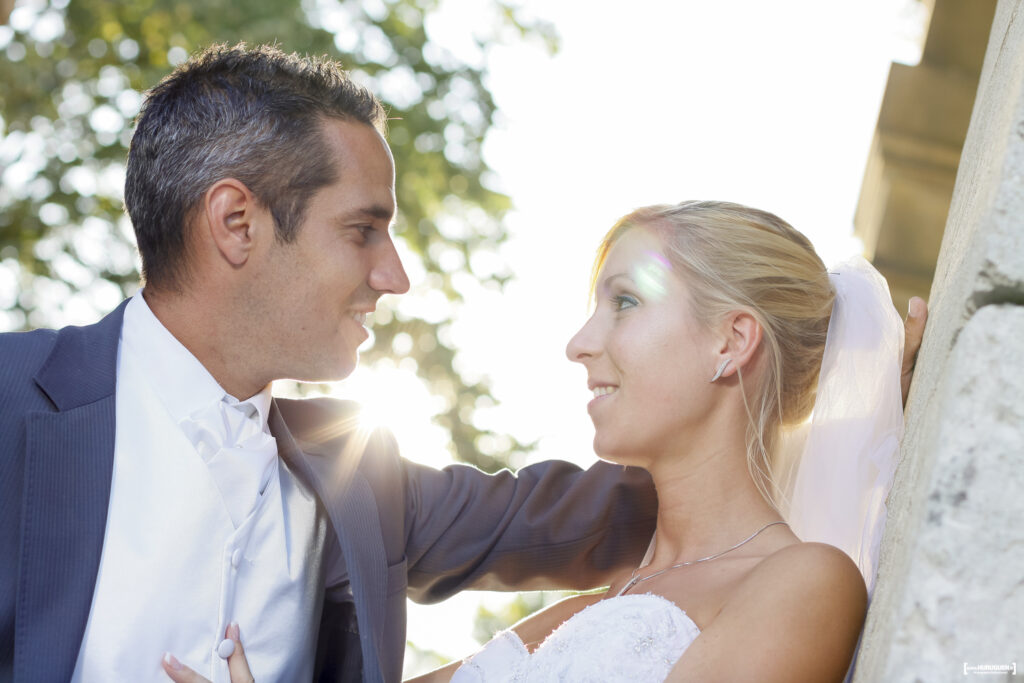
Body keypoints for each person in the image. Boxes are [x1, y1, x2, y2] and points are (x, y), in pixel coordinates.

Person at [0, 44, 663, 683]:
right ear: (236, 223)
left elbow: (603, 513)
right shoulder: (12, 401)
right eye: (361, 230)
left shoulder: (357, 474)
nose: (394, 275)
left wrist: (746, 378)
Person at [395, 200, 919, 682]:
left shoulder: (807, 583)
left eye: (625, 301)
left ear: (731, 342)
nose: (578, 345)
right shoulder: (581, 613)